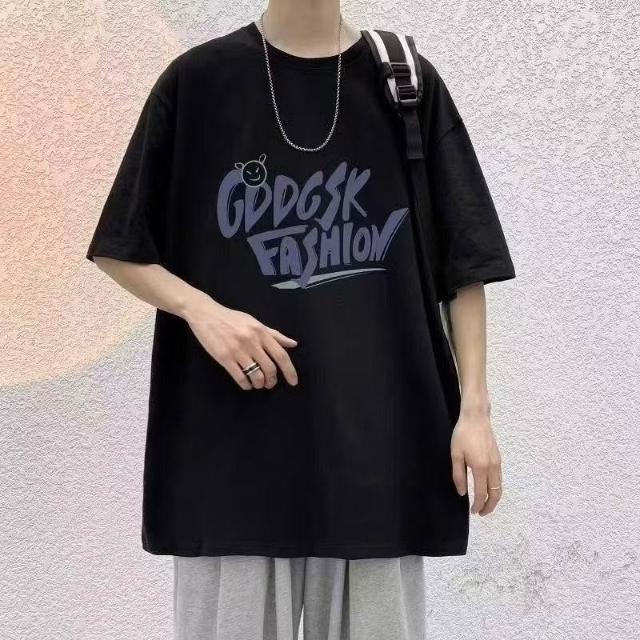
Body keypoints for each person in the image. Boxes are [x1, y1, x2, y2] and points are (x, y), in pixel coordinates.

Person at [85, 1, 516, 638]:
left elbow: (465, 263)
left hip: (378, 456)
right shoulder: (198, 82)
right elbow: (119, 246)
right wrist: (202, 311)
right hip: (231, 456)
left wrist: (474, 412)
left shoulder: (404, 82)